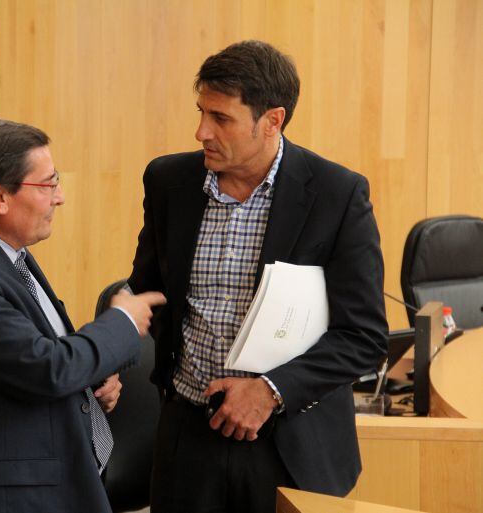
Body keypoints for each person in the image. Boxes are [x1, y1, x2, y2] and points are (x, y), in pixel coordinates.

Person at [127, 40, 388, 513]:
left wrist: (271, 391)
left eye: (221, 118)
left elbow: (364, 337)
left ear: (273, 121)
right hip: (189, 442)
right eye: (201, 111)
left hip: (291, 446)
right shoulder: (168, 182)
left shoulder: (336, 195)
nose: (201, 131)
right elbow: (148, 291)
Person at [0, 119, 165, 513]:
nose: (59, 197)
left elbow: (27, 356)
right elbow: (47, 368)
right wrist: (123, 323)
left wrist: (93, 379)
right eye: (48, 184)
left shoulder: (10, 256)